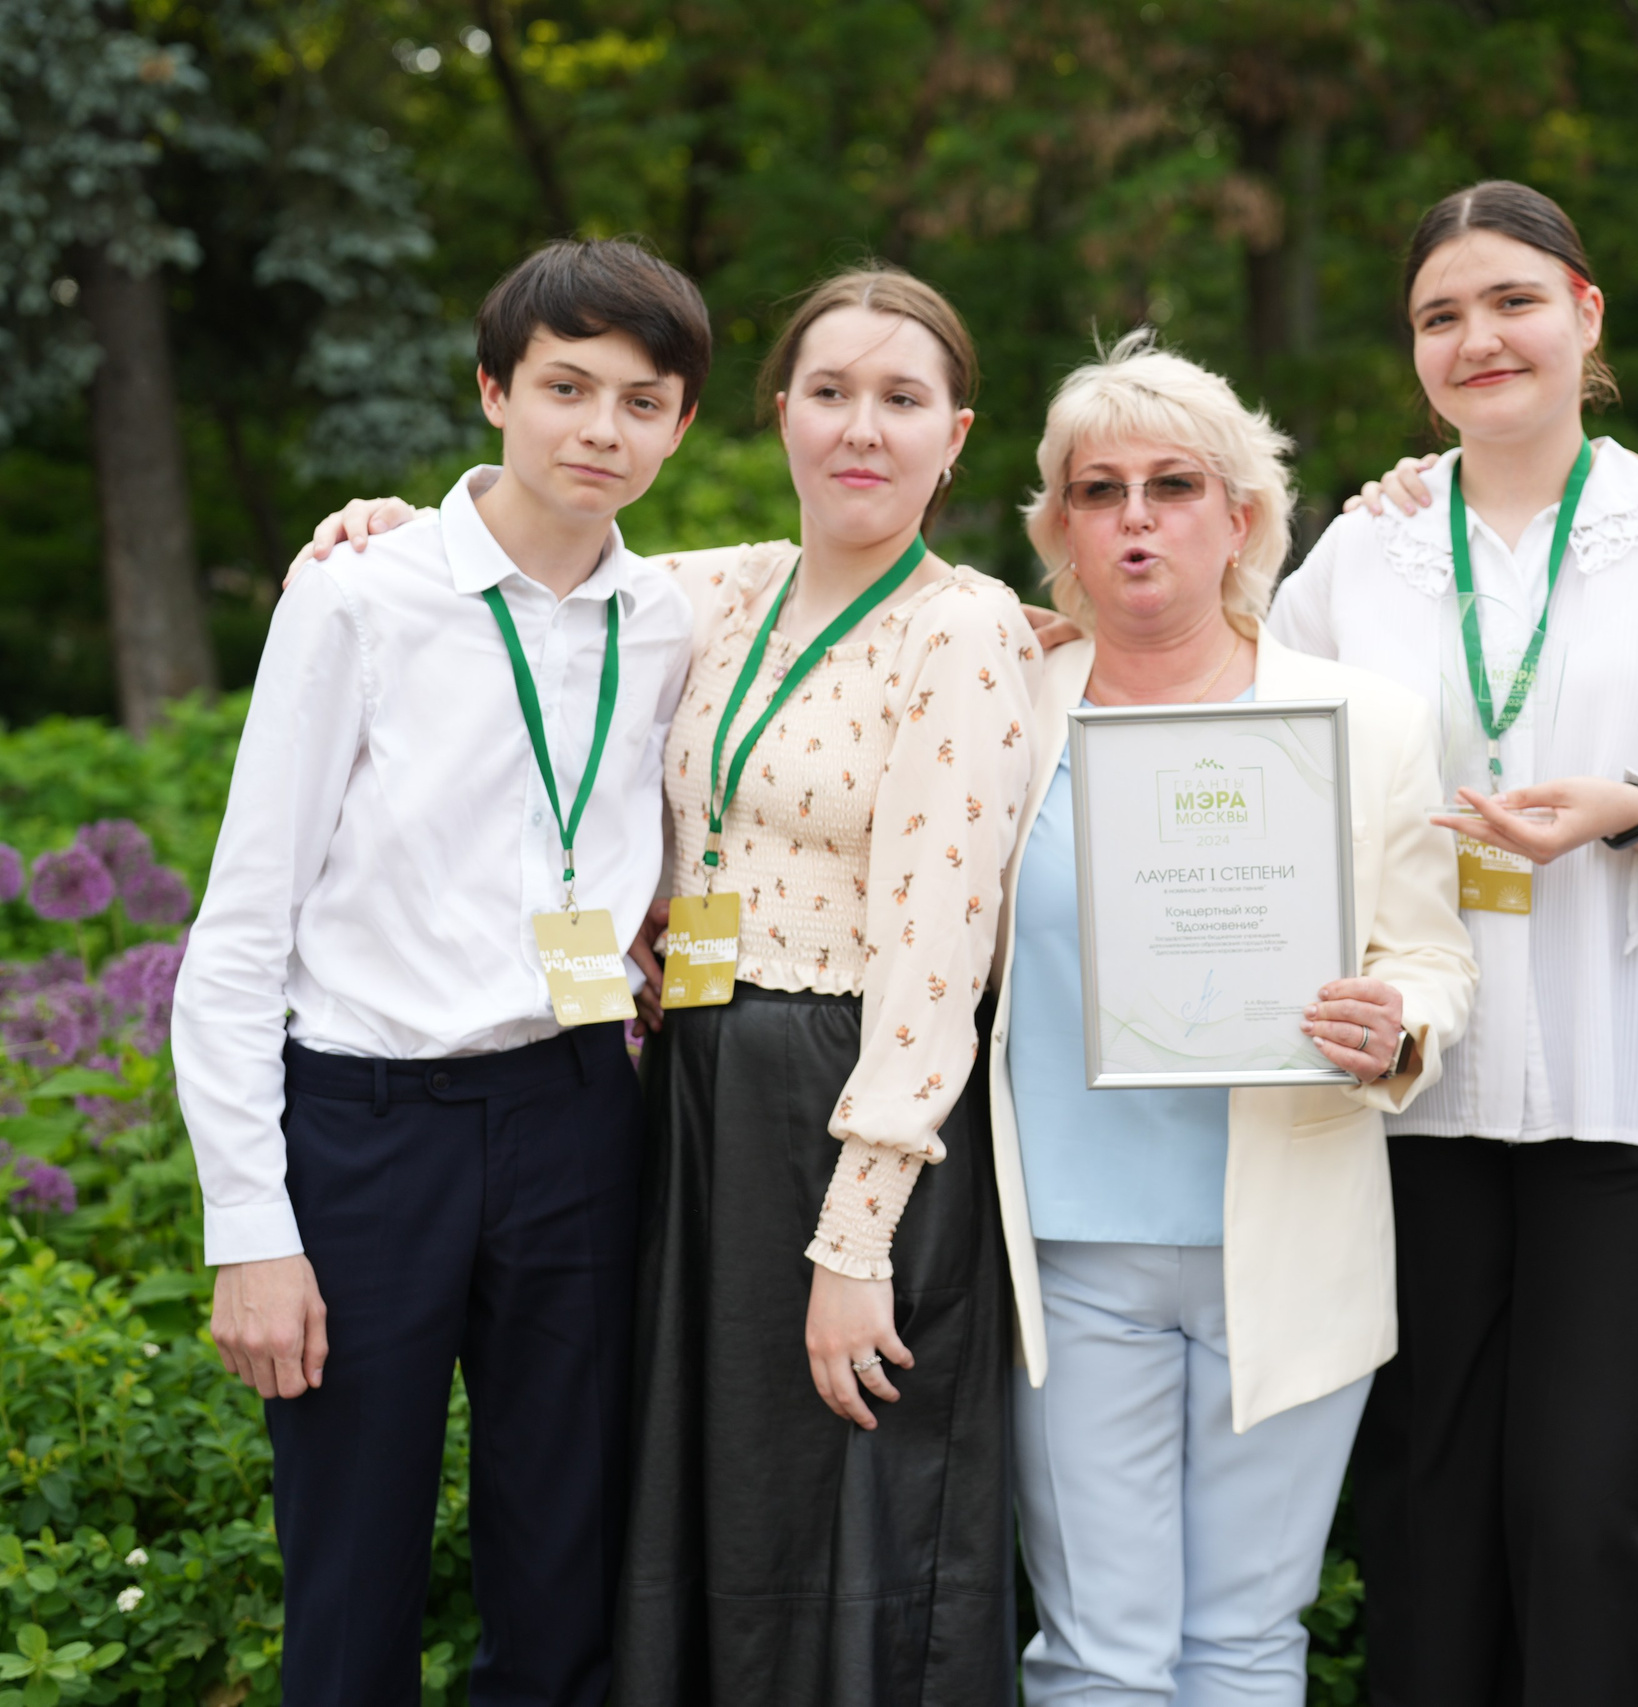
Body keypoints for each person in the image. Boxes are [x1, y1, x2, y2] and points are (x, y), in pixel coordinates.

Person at [293, 267, 1038, 1705]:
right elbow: (521, 566)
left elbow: (942, 962)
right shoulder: (712, 592)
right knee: (695, 1501)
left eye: (901, 400)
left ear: (957, 435)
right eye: (829, 393)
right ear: (773, 416)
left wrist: (858, 1234)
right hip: (683, 1099)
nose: (860, 430)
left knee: (847, 1517)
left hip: (846, 1111)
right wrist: (376, 531)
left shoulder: (965, 630)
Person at [173, 238, 709, 1706]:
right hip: (365, 1132)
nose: (602, 428)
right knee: (352, 1571)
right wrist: (248, 1226)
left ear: (680, 427)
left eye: (644, 402)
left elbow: (853, 604)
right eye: (567, 388)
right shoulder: (360, 596)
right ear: (493, 391)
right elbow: (238, 933)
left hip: (577, 1112)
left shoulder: (673, 618)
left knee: (569, 1561)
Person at [1287, 180, 1638, 1706]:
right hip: (1412, 1094)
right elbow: (1266, 772)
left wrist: (1632, 811)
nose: (1476, 337)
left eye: (1509, 301)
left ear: (1585, 315)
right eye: (1441, 315)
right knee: (1428, 1502)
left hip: (1630, 1082)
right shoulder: (1358, 556)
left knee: (1576, 1505)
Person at [996, 331, 1476, 1704]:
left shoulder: (1361, 721)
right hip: (1074, 1253)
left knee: (1250, 1642)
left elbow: (1433, 959)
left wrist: (1397, 1019)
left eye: (1175, 485)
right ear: (1062, 530)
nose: (1137, 517)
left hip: (1288, 1236)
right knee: (1097, 1647)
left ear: (1243, 519)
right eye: (1100, 490)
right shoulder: (1004, 704)